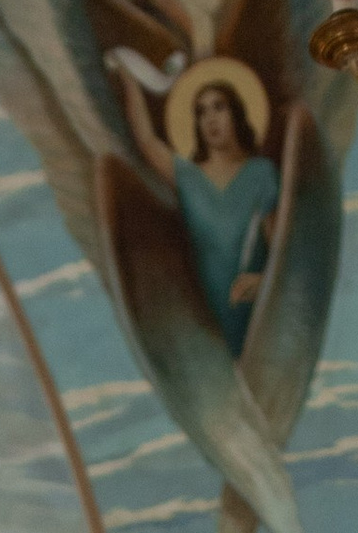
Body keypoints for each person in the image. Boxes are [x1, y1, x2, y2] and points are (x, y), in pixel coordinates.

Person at [114, 64, 278, 356]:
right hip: (206, 314)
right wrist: (130, 79)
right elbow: (147, 141)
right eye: (201, 112)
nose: (210, 119)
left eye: (218, 107)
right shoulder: (188, 177)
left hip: (254, 310)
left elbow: (281, 250)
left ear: (236, 113)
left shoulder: (261, 174)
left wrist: (264, 281)